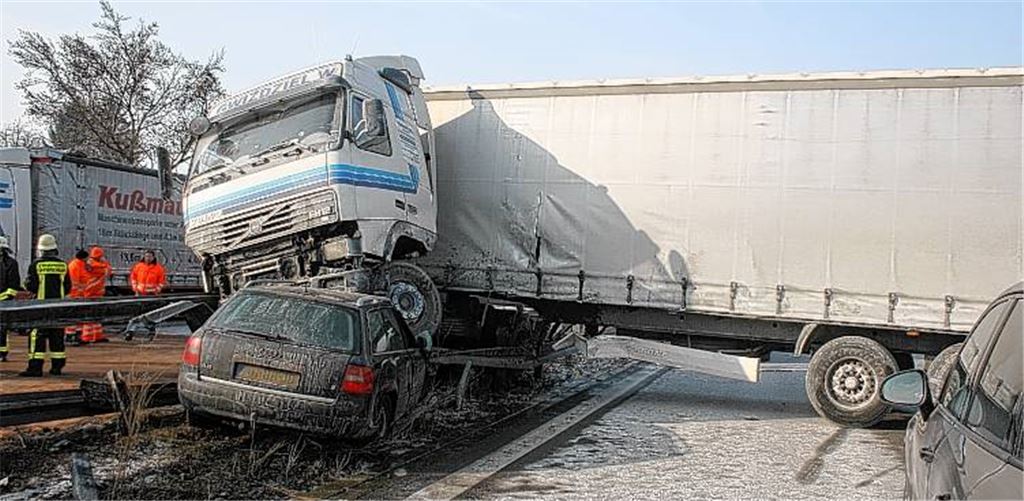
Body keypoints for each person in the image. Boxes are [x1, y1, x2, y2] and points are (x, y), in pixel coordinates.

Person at [20, 234, 71, 377]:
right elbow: (68, 287)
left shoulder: (36, 265)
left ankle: (35, 368)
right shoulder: (63, 265)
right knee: (57, 335)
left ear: (41, 250)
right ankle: (57, 367)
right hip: (58, 307)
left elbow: (31, 286)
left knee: (37, 335)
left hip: (40, 307)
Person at [67, 246, 112, 344]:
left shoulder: (82, 264)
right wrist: (105, 262)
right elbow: (106, 270)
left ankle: (80, 336)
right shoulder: (85, 265)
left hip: (83, 294)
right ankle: (73, 336)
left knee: (84, 316)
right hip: (79, 294)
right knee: (78, 317)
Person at [0, 236, 21, 362]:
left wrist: (5, 297)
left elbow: (14, 286)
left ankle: (2, 352)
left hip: (4, 301)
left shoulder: (11, 263)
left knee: (1, 328)